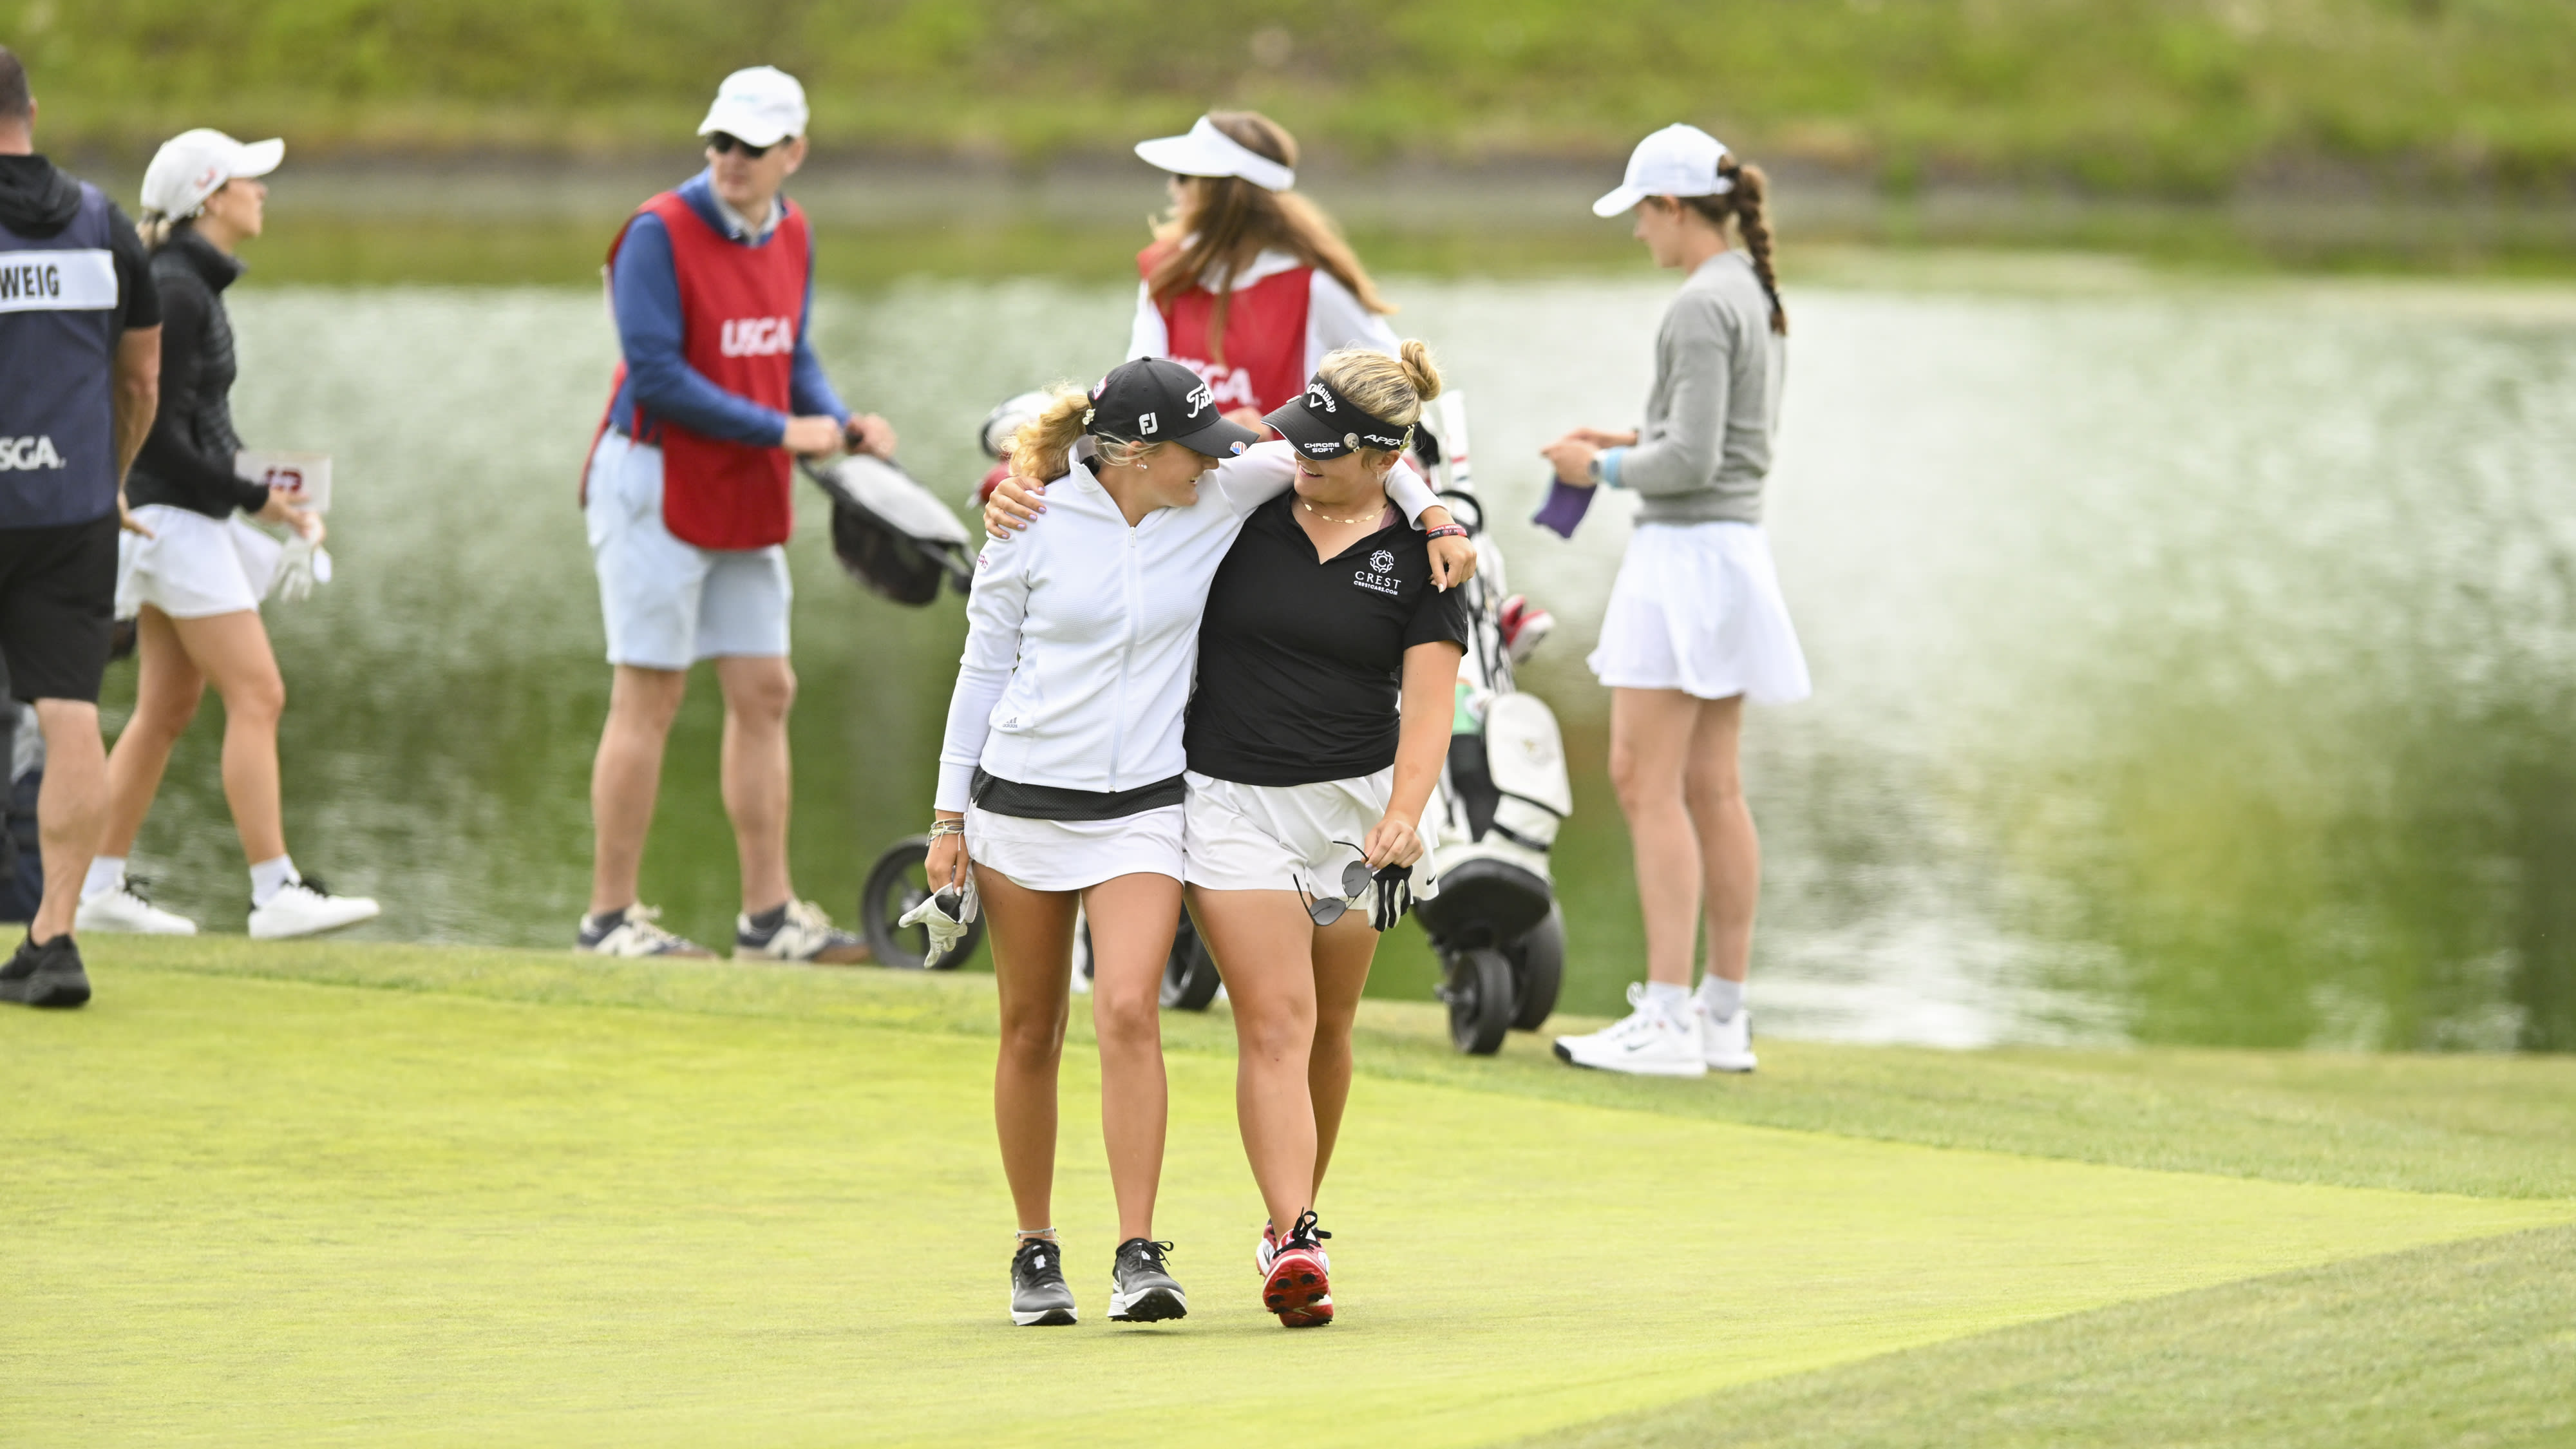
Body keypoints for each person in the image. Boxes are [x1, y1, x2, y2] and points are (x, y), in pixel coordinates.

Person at [948, 357, 1471, 1328]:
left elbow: (1385, 475)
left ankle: (1225, 1237)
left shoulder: (1321, 523)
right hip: (1130, 803)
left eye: (1323, 444)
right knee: (1140, 1022)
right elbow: (995, 650)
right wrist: (947, 817)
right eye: (1293, 433)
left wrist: (1437, 513)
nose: (1279, 452)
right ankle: (1107, 1241)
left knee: (1237, 1019)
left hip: (1255, 809)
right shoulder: (1132, 513)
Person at [1171, 345, 1466, 1328]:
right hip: (1231, 803)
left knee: (1328, 1030)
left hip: (1355, 817)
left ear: (1385, 459)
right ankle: (1297, 1236)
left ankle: (1288, 1219)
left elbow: (1429, 708)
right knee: (1277, 1020)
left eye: (1328, 453)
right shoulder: (1247, 506)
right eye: (1301, 436)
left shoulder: (1426, 558)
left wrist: (1405, 813)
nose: (1302, 457)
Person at [578, 66, 894, 961]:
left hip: (743, 480)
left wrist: (837, 419)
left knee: (766, 689)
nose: (730, 160)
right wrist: (789, 430)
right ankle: (607, 919)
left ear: (794, 152)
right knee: (651, 692)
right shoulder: (656, 233)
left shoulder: (791, 231)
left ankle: (767, 918)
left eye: (752, 147)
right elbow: (658, 378)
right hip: (650, 478)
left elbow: (792, 352)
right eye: (719, 141)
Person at [1539, 124, 1808, 1079]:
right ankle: (1721, 1012)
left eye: (1642, 215)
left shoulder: (1701, 305)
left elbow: (1689, 461)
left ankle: (1664, 1018)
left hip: (1688, 559)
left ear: (1673, 208)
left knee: (1643, 780)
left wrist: (1596, 464)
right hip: (1731, 555)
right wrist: (1626, 438)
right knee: (1711, 786)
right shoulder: (1751, 287)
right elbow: (1712, 440)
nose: (1639, 234)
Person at [78, 129, 379, 941]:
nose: (263, 191)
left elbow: (198, 427)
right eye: (250, 179)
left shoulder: (188, 286)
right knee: (260, 692)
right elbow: (165, 440)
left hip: (170, 519)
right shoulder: (178, 291)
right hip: (170, 523)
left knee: (168, 705)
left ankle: (97, 885)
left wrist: (270, 498)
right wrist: (252, 496)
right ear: (212, 199)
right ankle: (273, 889)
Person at [0, 46, 162, 1007]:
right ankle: (54, 937)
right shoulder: (104, 224)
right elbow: (141, 379)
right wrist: (110, 476)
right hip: (70, 506)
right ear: (33, 109)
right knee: (69, 714)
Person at [1128, 112, 1401, 428]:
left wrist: (1281, 429)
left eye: (1185, 175)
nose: (1173, 186)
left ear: (1224, 193)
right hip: (1185, 471)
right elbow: (1139, 391)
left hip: (1288, 471)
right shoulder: (1165, 272)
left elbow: (1395, 388)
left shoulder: (1314, 284)